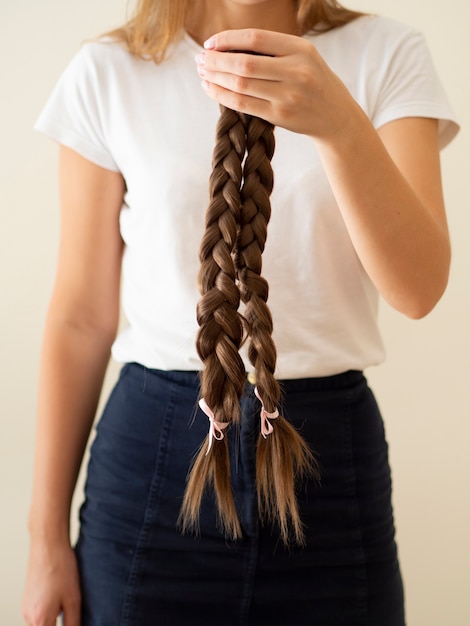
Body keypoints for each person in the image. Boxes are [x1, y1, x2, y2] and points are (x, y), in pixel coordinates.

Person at [22, 1, 459, 625]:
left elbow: (418, 288)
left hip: (328, 471)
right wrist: (44, 540)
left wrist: (338, 122)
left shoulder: (386, 54)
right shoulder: (111, 70)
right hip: (153, 465)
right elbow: (81, 319)